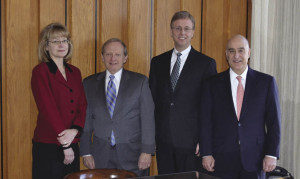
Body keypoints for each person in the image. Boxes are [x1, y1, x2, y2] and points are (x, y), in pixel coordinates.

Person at [200, 34, 281, 179]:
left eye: (241, 50)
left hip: (255, 159)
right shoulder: (212, 84)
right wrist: (206, 153)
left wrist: (271, 154)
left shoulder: (266, 83)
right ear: (226, 54)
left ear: (249, 53)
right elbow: (205, 122)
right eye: (231, 51)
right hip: (221, 159)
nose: (236, 55)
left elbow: (274, 122)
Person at [149, 11, 217, 174]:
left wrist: (205, 140)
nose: (182, 33)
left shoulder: (206, 64)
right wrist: (151, 137)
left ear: (193, 32)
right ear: (171, 31)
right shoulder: (157, 62)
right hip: (163, 141)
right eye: (178, 28)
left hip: (192, 143)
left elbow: (211, 107)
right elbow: (152, 102)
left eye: (187, 28)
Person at [80, 38, 155, 176]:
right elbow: (85, 120)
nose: (113, 58)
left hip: (133, 156)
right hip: (100, 156)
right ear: (102, 57)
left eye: (118, 54)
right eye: (108, 54)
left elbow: (148, 119)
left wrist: (147, 151)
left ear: (125, 57)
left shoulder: (139, 82)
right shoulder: (89, 84)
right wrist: (86, 152)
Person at [31, 22, 87, 179]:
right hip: (49, 145)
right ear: (46, 47)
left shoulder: (75, 72)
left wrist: (75, 130)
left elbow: (82, 105)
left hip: (72, 141)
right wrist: (65, 144)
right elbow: (48, 109)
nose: (61, 45)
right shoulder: (40, 71)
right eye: (55, 41)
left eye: (64, 40)